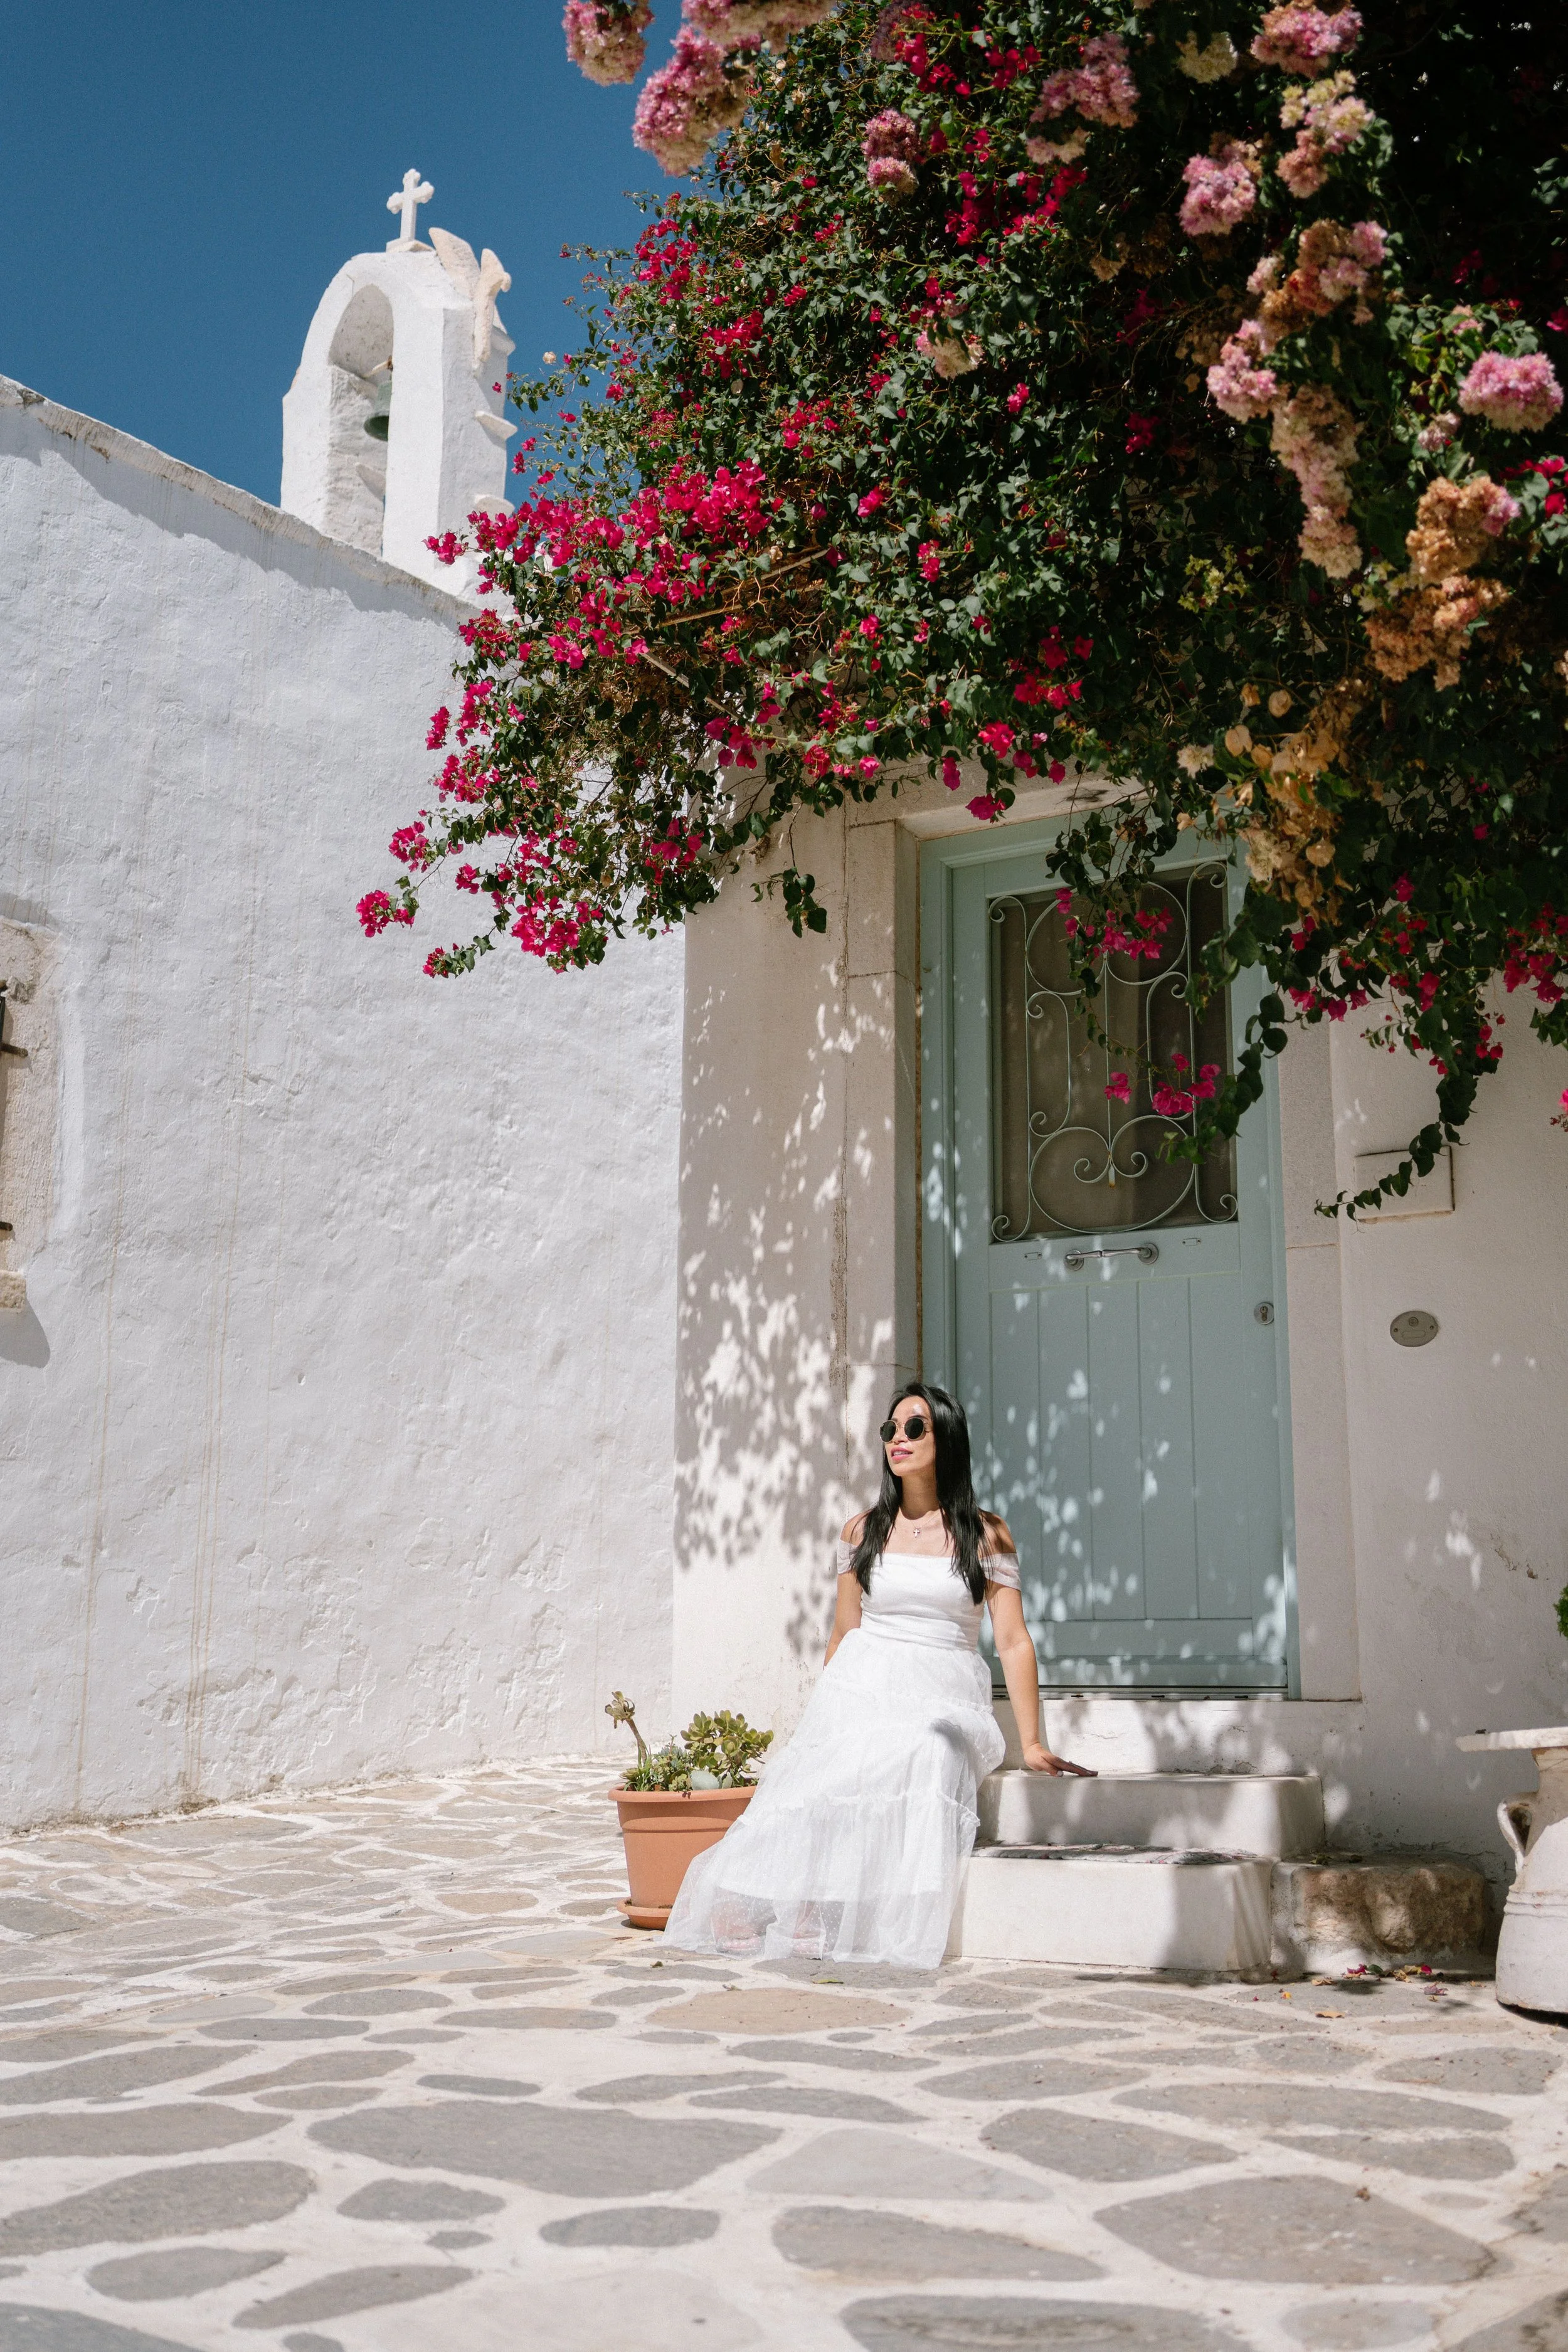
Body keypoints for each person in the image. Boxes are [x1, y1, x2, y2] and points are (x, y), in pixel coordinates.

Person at [663, 1380, 1094, 1969]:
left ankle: (865, 1907)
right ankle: (800, 1902)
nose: (898, 1439)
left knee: (924, 1749)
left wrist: (1033, 1740)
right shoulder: (861, 1530)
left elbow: (1014, 1641)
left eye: (914, 1428)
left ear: (947, 1438)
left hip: (942, 1683)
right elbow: (843, 1631)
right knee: (835, 1762)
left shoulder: (985, 1533)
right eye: (889, 1429)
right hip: (867, 1675)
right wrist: (826, 1715)